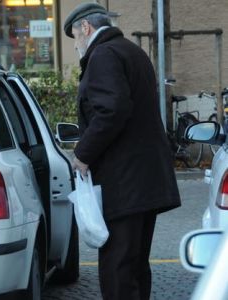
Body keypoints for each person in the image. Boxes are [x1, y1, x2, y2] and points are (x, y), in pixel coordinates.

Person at [63, 3, 181, 300]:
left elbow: (112, 110)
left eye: (75, 37)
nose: (76, 45)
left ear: (86, 28)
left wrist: (83, 154)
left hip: (123, 183)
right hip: (144, 181)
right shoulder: (130, 51)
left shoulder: (103, 55)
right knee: (135, 265)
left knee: (118, 269)